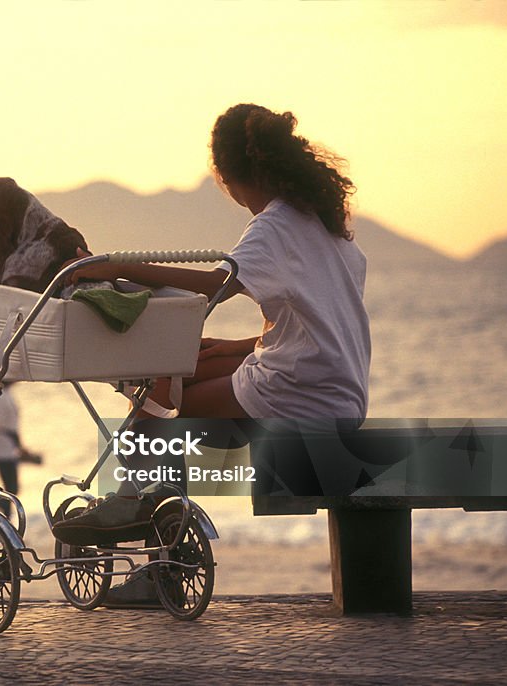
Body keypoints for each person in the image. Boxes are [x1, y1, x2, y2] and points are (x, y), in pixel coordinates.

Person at [52, 103, 372, 548]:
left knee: (155, 418)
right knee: (175, 372)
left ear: (226, 175)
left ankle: (143, 522)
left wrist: (114, 265)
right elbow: (314, 332)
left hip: (303, 396)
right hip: (344, 398)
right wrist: (230, 348)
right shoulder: (328, 227)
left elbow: (208, 289)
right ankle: (143, 512)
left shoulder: (274, 227)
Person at [0, 383, 42, 519]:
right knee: (11, 489)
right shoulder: (0, 397)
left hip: (9, 448)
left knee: (11, 489)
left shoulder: (7, 394)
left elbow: (12, 427)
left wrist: (21, 448)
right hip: (1, 449)